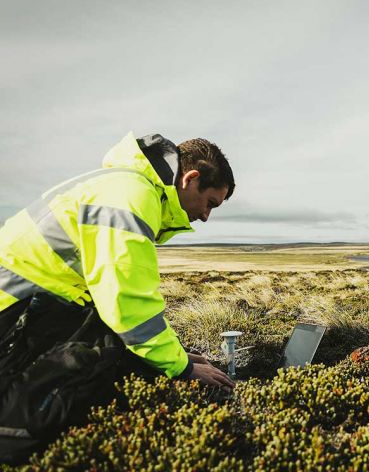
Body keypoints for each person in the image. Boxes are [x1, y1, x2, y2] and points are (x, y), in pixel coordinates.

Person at [0, 132, 235, 390]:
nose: (205, 216)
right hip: (13, 316)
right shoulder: (132, 197)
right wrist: (183, 368)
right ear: (191, 179)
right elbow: (128, 302)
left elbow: (116, 301)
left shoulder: (125, 185)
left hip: (30, 306)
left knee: (129, 353)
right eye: (210, 203)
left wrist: (176, 354)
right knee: (111, 367)